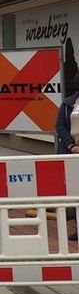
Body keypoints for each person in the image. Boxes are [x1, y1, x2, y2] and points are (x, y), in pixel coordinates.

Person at [55, 85, 79, 241]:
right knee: (75, 191)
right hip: (72, 153)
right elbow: (60, 126)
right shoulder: (68, 103)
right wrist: (71, 145)